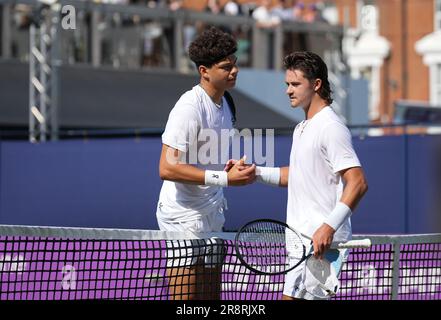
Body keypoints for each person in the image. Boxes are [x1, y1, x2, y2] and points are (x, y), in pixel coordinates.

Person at [234, 51, 368, 299]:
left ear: (316, 84)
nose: (288, 90)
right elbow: (298, 176)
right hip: (300, 242)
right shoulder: (303, 128)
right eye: (287, 84)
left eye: (295, 84)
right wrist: (257, 173)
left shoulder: (331, 127)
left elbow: (358, 183)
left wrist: (328, 227)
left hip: (321, 247)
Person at [156, 26, 256, 300]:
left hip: (213, 209)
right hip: (182, 215)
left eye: (234, 64)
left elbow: (208, 155)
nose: (234, 71)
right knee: (186, 304)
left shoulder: (228, 103)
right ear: (204, 71)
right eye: (226, 67)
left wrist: (228, 169)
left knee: (211, 300)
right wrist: (224, 179)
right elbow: (166, 168)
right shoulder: (189, 108)